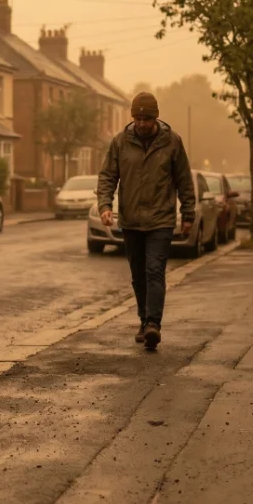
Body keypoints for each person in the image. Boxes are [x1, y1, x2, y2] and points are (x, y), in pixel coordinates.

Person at [95, 91, 195, 351]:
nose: (141, 123)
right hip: (130, 220)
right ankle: (143, 320)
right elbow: (107, 176)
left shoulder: (172, 142)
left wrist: (188, 213)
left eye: (146, 119)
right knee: (138, 275)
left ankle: (153, 324)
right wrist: (105, 206)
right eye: (137, 118)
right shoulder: (120, 143)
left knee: (154, 270)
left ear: (156, 118)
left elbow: (184, 180)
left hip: (161, 220)